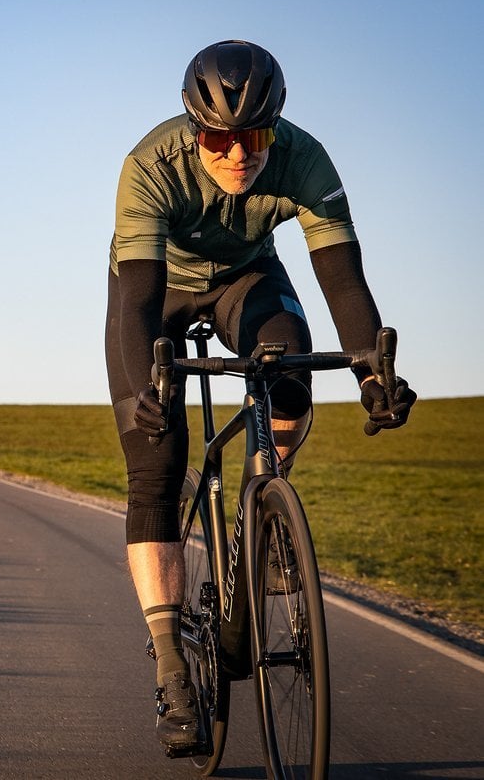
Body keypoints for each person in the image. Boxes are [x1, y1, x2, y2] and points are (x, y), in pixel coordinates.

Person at [104, 40, 417, 757]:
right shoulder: (149, 167)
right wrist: (146, 388)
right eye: (219, 138)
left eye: (254, 137)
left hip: (249, 279)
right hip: (158, 291)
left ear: (275, 127)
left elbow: (342, 280)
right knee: (154, 455)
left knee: (290, 377)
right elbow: (138, 303)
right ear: (194, 130)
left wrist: (373, 376)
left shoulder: (306, 159)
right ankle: (175, 670)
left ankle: (264, 503)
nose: (238, 154)